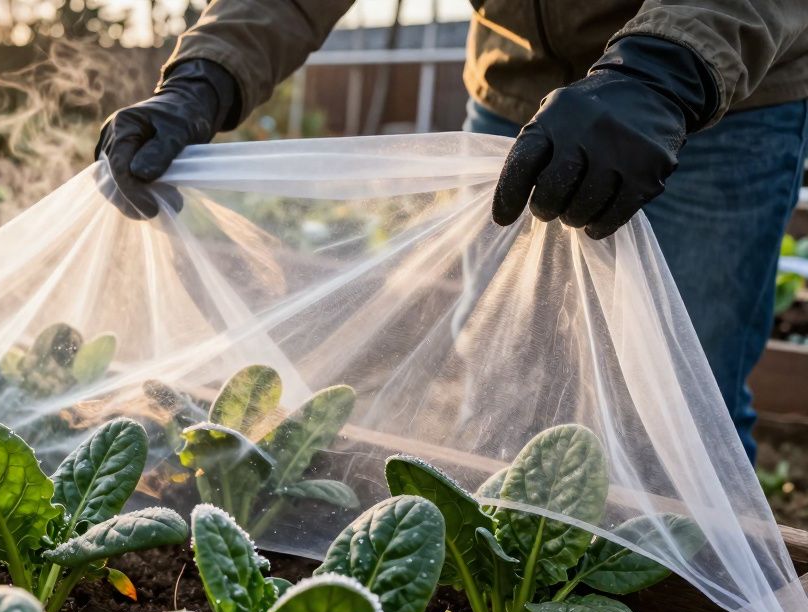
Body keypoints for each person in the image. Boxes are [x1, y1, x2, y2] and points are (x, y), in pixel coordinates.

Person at [95, 0, 808, 463]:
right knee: (503, 383)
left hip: (713, 87)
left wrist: (662, 70)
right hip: (517, 91)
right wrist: (204, 76)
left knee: (681, 410)